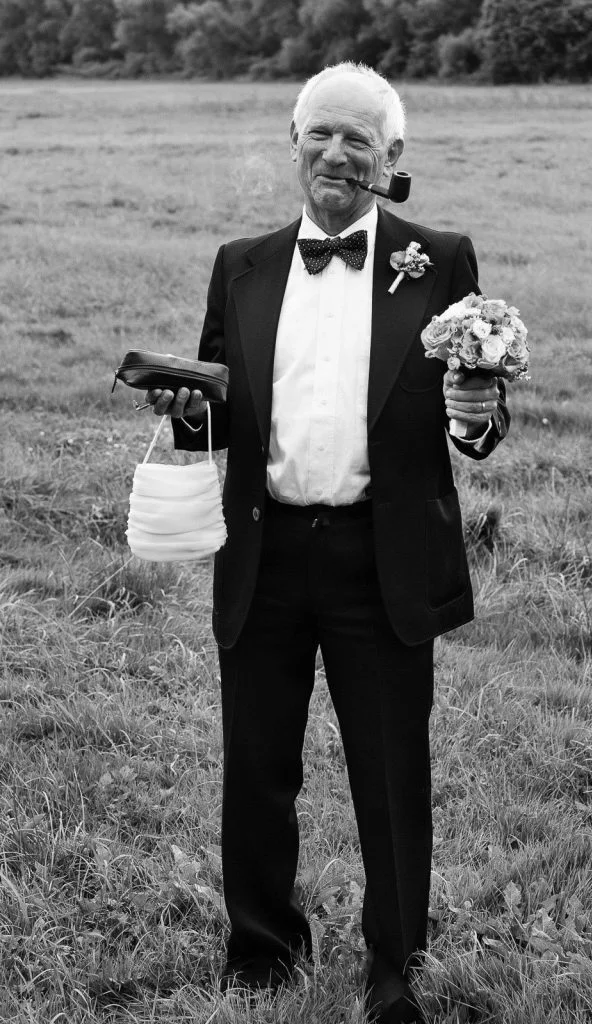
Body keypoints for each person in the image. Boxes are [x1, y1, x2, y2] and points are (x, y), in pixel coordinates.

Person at [147, 62, 509, 1024]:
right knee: (256, 764)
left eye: (360, 140)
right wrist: (190, 414)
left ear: (392, 159)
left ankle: (396, 973)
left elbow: (472, 411)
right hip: (262, 553)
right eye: (322, 134)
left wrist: (475, 413)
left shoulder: (439, 260)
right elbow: (218, 410)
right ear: (295, 140)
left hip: (378, 558)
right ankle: (262, 953)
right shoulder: (243, 263)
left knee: (391, 775)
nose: (337, 153)